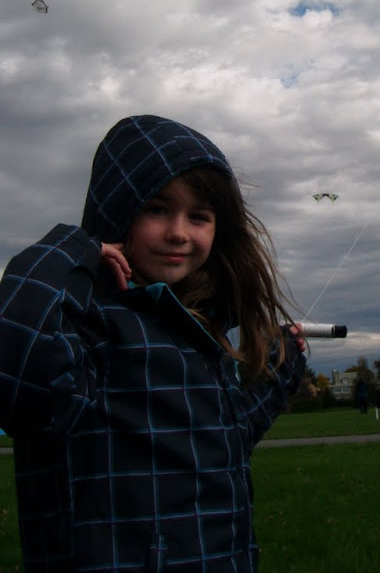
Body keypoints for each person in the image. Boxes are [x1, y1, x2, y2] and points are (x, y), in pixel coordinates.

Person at [0, 114, 307, 572]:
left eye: (199, 216)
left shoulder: (201, 331)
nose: (179, 232)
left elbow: (223, 438)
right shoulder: (86, 324)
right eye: (157, 208)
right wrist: (68, 249)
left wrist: (281, 368)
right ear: (116, 213)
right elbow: (19, 381)